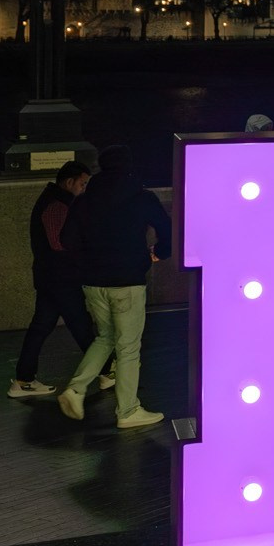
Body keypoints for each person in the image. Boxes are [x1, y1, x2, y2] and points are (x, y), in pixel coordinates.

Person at [58, 145, 171, 429]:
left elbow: (67, 239)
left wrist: (87, 263)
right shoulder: (142, 197)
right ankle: (128, 410)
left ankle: (76, 389)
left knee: (105, 337)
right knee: (129, 347)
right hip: (128, 281)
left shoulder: (84, 200)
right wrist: (159, 252)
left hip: (93, 281)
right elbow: (167, 229)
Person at [10, 161, 112, 399]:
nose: (85, 189)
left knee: (42, 327)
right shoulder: (57, 206)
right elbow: (60, 244)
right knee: (81, 326)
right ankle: (107, 372)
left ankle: (23, 380)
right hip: (61, 278)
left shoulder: (53, 200)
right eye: (83, 184)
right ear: (69, 182)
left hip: (50, 277)